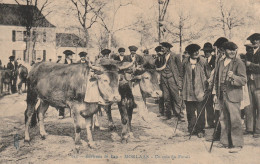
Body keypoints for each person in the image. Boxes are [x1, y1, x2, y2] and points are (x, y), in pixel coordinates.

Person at [214, 41, 246, 153]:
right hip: (222, 94)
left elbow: (243, 80)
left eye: (234, 49)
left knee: (235, 120)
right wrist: (216, 93)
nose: (232, 52)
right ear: (224, 50)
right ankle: (225, 142)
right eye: (229, 49)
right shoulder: (220, 62)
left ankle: (237, 144)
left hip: (233, 95)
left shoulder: (239, 62)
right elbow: (217, 79)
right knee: (223, 119)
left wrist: (234, 77)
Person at [182, 44, 210, 137]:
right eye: (194, 52)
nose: (196, 53)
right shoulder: (185, 62)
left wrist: (208, 86)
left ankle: (200, 130)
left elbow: (208, 74)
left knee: (200, 111)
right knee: (190, 111)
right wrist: (180, 87)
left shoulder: (203, 61)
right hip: (188, 90)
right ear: (190, 53)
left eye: (197, 51)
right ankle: (192, 128)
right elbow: (181, 75)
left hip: (200, 90)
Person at [157, 42, 184, 121]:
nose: (162, 49)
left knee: (176, 97)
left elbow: (180, 69)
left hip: (172, 79)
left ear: (168, 48)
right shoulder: (162, 56)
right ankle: (168, 114)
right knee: (166, 97)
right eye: (162, 48)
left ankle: (180, 115)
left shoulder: (175, 56)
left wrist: (180, 81)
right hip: (164, 79)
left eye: (163, 48)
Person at [244, 33, 260, 138]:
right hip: (249, 82)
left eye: (256, 40)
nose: (254, 41)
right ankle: (250, 128)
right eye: (252, 40)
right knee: (249, 106)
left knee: (259, 106)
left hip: (259, 83)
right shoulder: (249, 53)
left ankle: (258, 130)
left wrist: (251, 65)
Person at [201, 42, 216, 128]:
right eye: (205, 51)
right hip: (205, 86)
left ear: (211, 52)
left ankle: (215, 121)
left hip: (213, 85)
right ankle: (210, 122)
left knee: (214, 103)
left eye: (208, 51)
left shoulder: (215, 59)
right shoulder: (202, 60)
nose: (206, 53)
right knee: (208, 104)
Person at [58, 50, 75, 119]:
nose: (72, 56)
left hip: (71, 80)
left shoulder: (73, 62)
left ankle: (72, 112)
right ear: (68, 56)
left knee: (72, 95)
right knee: (63, 96)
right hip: (63, 80)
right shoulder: (62, 62)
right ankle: (61, 113)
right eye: (71, 55)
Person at [154, 46, 165, 117]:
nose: (159, 53)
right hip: (159, 78)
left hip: (165, 78)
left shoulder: (165, 58)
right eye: (157, 52)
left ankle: (169, 111)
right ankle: (161, 111)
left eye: (160, 51)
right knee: (160, 95)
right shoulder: (156, 60)